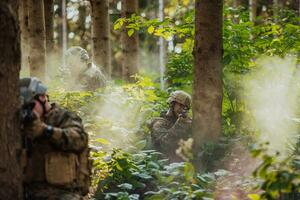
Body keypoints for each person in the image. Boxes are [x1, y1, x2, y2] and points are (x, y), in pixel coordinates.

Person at [19, 77, 91, 200]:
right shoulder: (21, 124)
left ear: (42, 98)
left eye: (30, 105)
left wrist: (46, 131)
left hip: (64, 193)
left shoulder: (63, 117)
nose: (28, 111)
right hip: (28, 193)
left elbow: (79, 140)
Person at [149, 90, 192, 162]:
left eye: (185, 107)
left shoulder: (186, 122)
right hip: (162, 164)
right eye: (180, 105)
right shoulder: (159, 123)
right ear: (172, 104)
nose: (182, 109)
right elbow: (165, 146)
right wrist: (180, 124)